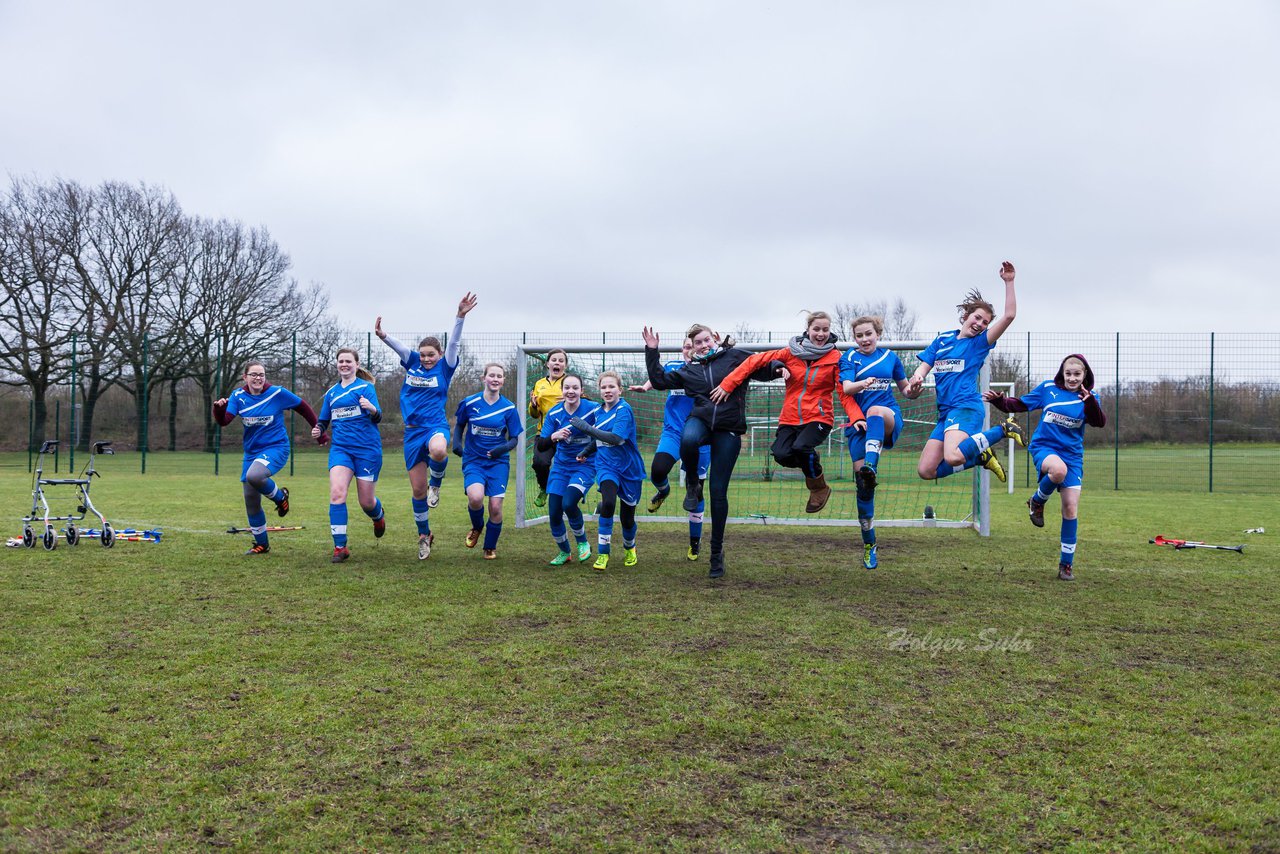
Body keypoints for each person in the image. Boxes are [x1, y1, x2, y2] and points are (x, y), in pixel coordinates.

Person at [643, 324, 783, 579]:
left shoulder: (734, 357)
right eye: (697, 342)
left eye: (706, 339)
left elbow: (761, 368)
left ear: (715, 338)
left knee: (718, 492)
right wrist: (652, 351)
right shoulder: (689, 370)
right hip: (702, 421)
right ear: (693, 347)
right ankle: (693, 485)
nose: (703, 345)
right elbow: (659, 380)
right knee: (688, 438)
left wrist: (777, 369)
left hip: (729, 429)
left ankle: (716, 552)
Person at [710, 310, 864, 514]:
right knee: (781, 455)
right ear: (808, 330)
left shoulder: (836, 358)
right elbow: (753, 362)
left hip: (819, 417)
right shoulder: (790, 352)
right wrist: (728, 384)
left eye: (825, 330)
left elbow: (844, 393)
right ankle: (810, 460)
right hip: (790, 417)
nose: (821, 334)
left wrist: (856, 417)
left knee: (801, 447)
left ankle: (818, 487)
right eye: (816, 329)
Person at [984, 354, 1106, 581]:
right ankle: (1038, 501)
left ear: (1085, 375)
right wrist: (1000, 401)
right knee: (1058, 471)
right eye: (1068, 373)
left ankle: (1065, 565)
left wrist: (1089, 402)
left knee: (1070, 508)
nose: (1071, 378)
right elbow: (1020, 404)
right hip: (1045, 448)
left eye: (1076, 374)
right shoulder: (1048, 388)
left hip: (1073, 455)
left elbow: (1099, 421)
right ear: (1062, 372)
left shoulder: (1089, 398)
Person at [375, 293, 478, 560]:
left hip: (434, 426)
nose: (426, 359)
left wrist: (460, 316)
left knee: (440, 450)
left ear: (440, 354)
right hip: (411, 433)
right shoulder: (412, 364)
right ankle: (424, 535)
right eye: (422, 355)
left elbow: (454, 341)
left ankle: (437, 483)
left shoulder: (445, 367)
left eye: (430, 355)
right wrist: (383, 336)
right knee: (417, 492)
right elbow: (400, 349)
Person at [907, 262, 1025, 484]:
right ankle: (980, 456)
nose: (980, 324)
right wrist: (918, 377)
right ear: (966, 315)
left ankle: (1004, 428)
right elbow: (925, 365)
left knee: (952, 456)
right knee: (926, 470)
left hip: (966, 408)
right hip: (945, 413)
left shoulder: (979, 344)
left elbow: (1009, 316)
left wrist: (1009, 282)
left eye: (985, 322)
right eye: (977, 317)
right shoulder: (943, 339)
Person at [213, 360, 320, 555]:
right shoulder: (238, 396)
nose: (258, 378)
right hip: (252, 452)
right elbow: (224, 421)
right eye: (253, 374)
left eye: (261, 374)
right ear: (245, 377)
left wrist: (319, 429)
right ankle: (262, 544)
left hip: (276, 448)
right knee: (250, 499)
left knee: (255, 476)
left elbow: (303, 407)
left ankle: (281, 498)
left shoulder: (277, 393)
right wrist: (219, 409)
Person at [840, 316, 920, 569]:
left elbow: (906, 390)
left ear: (877, 333)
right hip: (859, 426)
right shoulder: (850, 358)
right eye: (859, 336)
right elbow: (846, 388)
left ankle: (871, 466)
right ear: (854, 338)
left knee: (875, 409)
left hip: (887, 416)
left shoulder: (890, 358)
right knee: (863, 488)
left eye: (868, 334)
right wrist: (861, 384)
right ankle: (869, 542)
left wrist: (914, 390)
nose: (864, 339)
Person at [629, 336, 710, 561]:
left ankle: (695, 543)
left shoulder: (709, 370)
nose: (689, 350)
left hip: (701, 435)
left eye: (692, 347)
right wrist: (645, 387)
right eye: (686, 347)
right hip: (673, 433)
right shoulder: (674, 367)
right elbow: (658, 378)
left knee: (696, 491)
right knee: (657, 470)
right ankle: (664, 491)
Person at [311, 348, 385, 563]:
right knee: (337, 493)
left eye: (348, 361)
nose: (344, 364)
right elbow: (323, 420)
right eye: (341, 361)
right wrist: (318, 429)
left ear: (356, 364)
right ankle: (340, 547)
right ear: (337, 364)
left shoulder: (366, 388)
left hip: (367, 451)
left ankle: (378, 517)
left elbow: (378, 417)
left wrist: (371, 408)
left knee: (366, 502)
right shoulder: (332, 393)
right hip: (341, 450)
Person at [570, 371, 646, 571]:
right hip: (606, 465)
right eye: (604, 387)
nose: (607, 390)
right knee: (609, 502)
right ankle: (603, 553)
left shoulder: (624, 410)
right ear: (600, 390)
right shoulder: (597, 411)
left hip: (629, 468)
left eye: (612, 386)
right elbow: (599, 438)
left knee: (627, 517)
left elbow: (616, 438)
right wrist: (587, 450)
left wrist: (586, 428)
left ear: (620, 389)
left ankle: (630, 547)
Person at [452, 362, 523, 560]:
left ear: (503, 381)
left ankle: (490, 546)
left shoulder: (508, 408)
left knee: (495, 507)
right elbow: (460, 425)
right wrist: (457, 443)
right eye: (491, 375)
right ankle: (477, 527)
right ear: (484, 378)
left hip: (498, 463)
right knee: (475, 497)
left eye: (499, 376)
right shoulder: (469, 402)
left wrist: (503, 448)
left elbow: (515, 438)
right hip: (474, 459)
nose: (495, 379)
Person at [536, 373, 599, 565]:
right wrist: (554, 436)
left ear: (581, 391)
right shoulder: (554, 414)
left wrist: (587, 450)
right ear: (562, 391)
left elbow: (606, 434)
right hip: (561, 467)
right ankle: (565, 552)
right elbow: (541, 445)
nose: (570, 391)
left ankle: (582, 542)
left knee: (569, 503)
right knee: (554, 512)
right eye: (567, 388)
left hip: (585, 465)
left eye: (575, 388)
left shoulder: (593, 410)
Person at [527, 348, 568, 508]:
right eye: (554, 360)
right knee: (539, 463)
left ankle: (568, 496)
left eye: (561, 360)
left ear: (565, 365)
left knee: (566, 467)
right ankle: (544, 488)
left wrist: (571, 397)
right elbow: (534, 414)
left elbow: (582, 401)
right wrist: (533, 405)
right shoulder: (539, 384)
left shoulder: (569, 382)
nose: (557, 363)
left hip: (567, 435)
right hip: (544, 434)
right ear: (547, 364)